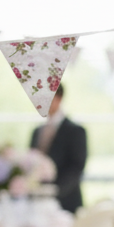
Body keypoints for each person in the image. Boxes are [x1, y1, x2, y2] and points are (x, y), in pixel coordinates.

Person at [30, 84, 87, 213]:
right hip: (37, 205)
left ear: (59, 98)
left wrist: (54, 191)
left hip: (66, 203)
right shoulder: (37, 132)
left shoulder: (76, 131)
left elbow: (77, 167)